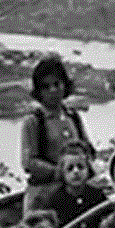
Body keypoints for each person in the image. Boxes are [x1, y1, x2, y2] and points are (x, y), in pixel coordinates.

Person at [21, 56, 96, 215]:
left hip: (75, 189)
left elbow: (88, 149)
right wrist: (61, 172)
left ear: (65, 85)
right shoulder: (34, 121)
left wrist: (85, 165)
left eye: (57, 84)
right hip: (44, 193)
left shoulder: (73, 117)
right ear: (39, 92)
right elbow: (29, 162)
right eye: (46, 87)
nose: (53, 90)